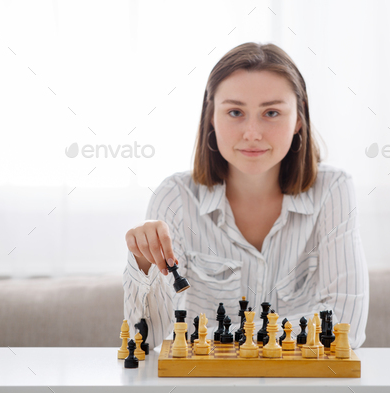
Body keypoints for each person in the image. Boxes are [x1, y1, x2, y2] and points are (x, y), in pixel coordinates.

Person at [122, 42, 369, 350]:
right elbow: (149, 338)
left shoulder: (334, 191)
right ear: (211, 117)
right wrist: (144, 263)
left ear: (299, 120)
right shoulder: (174, 199)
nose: (252, 133)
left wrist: (225, 337)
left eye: (272, 112)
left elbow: (349, 328)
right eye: (235, 112)